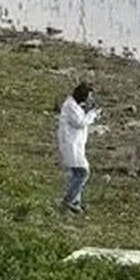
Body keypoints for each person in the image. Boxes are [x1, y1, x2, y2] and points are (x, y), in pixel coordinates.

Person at [57, 82, 101, 214]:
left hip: (75, 144)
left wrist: (90, 112)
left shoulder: (74, 105)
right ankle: (68, 201)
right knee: (83, 172)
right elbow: (80, 122)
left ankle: (76, 203)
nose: (90, 99)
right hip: (71, 144)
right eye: (89, 96)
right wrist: (92, 114)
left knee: (77, 173)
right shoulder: (70, 106)